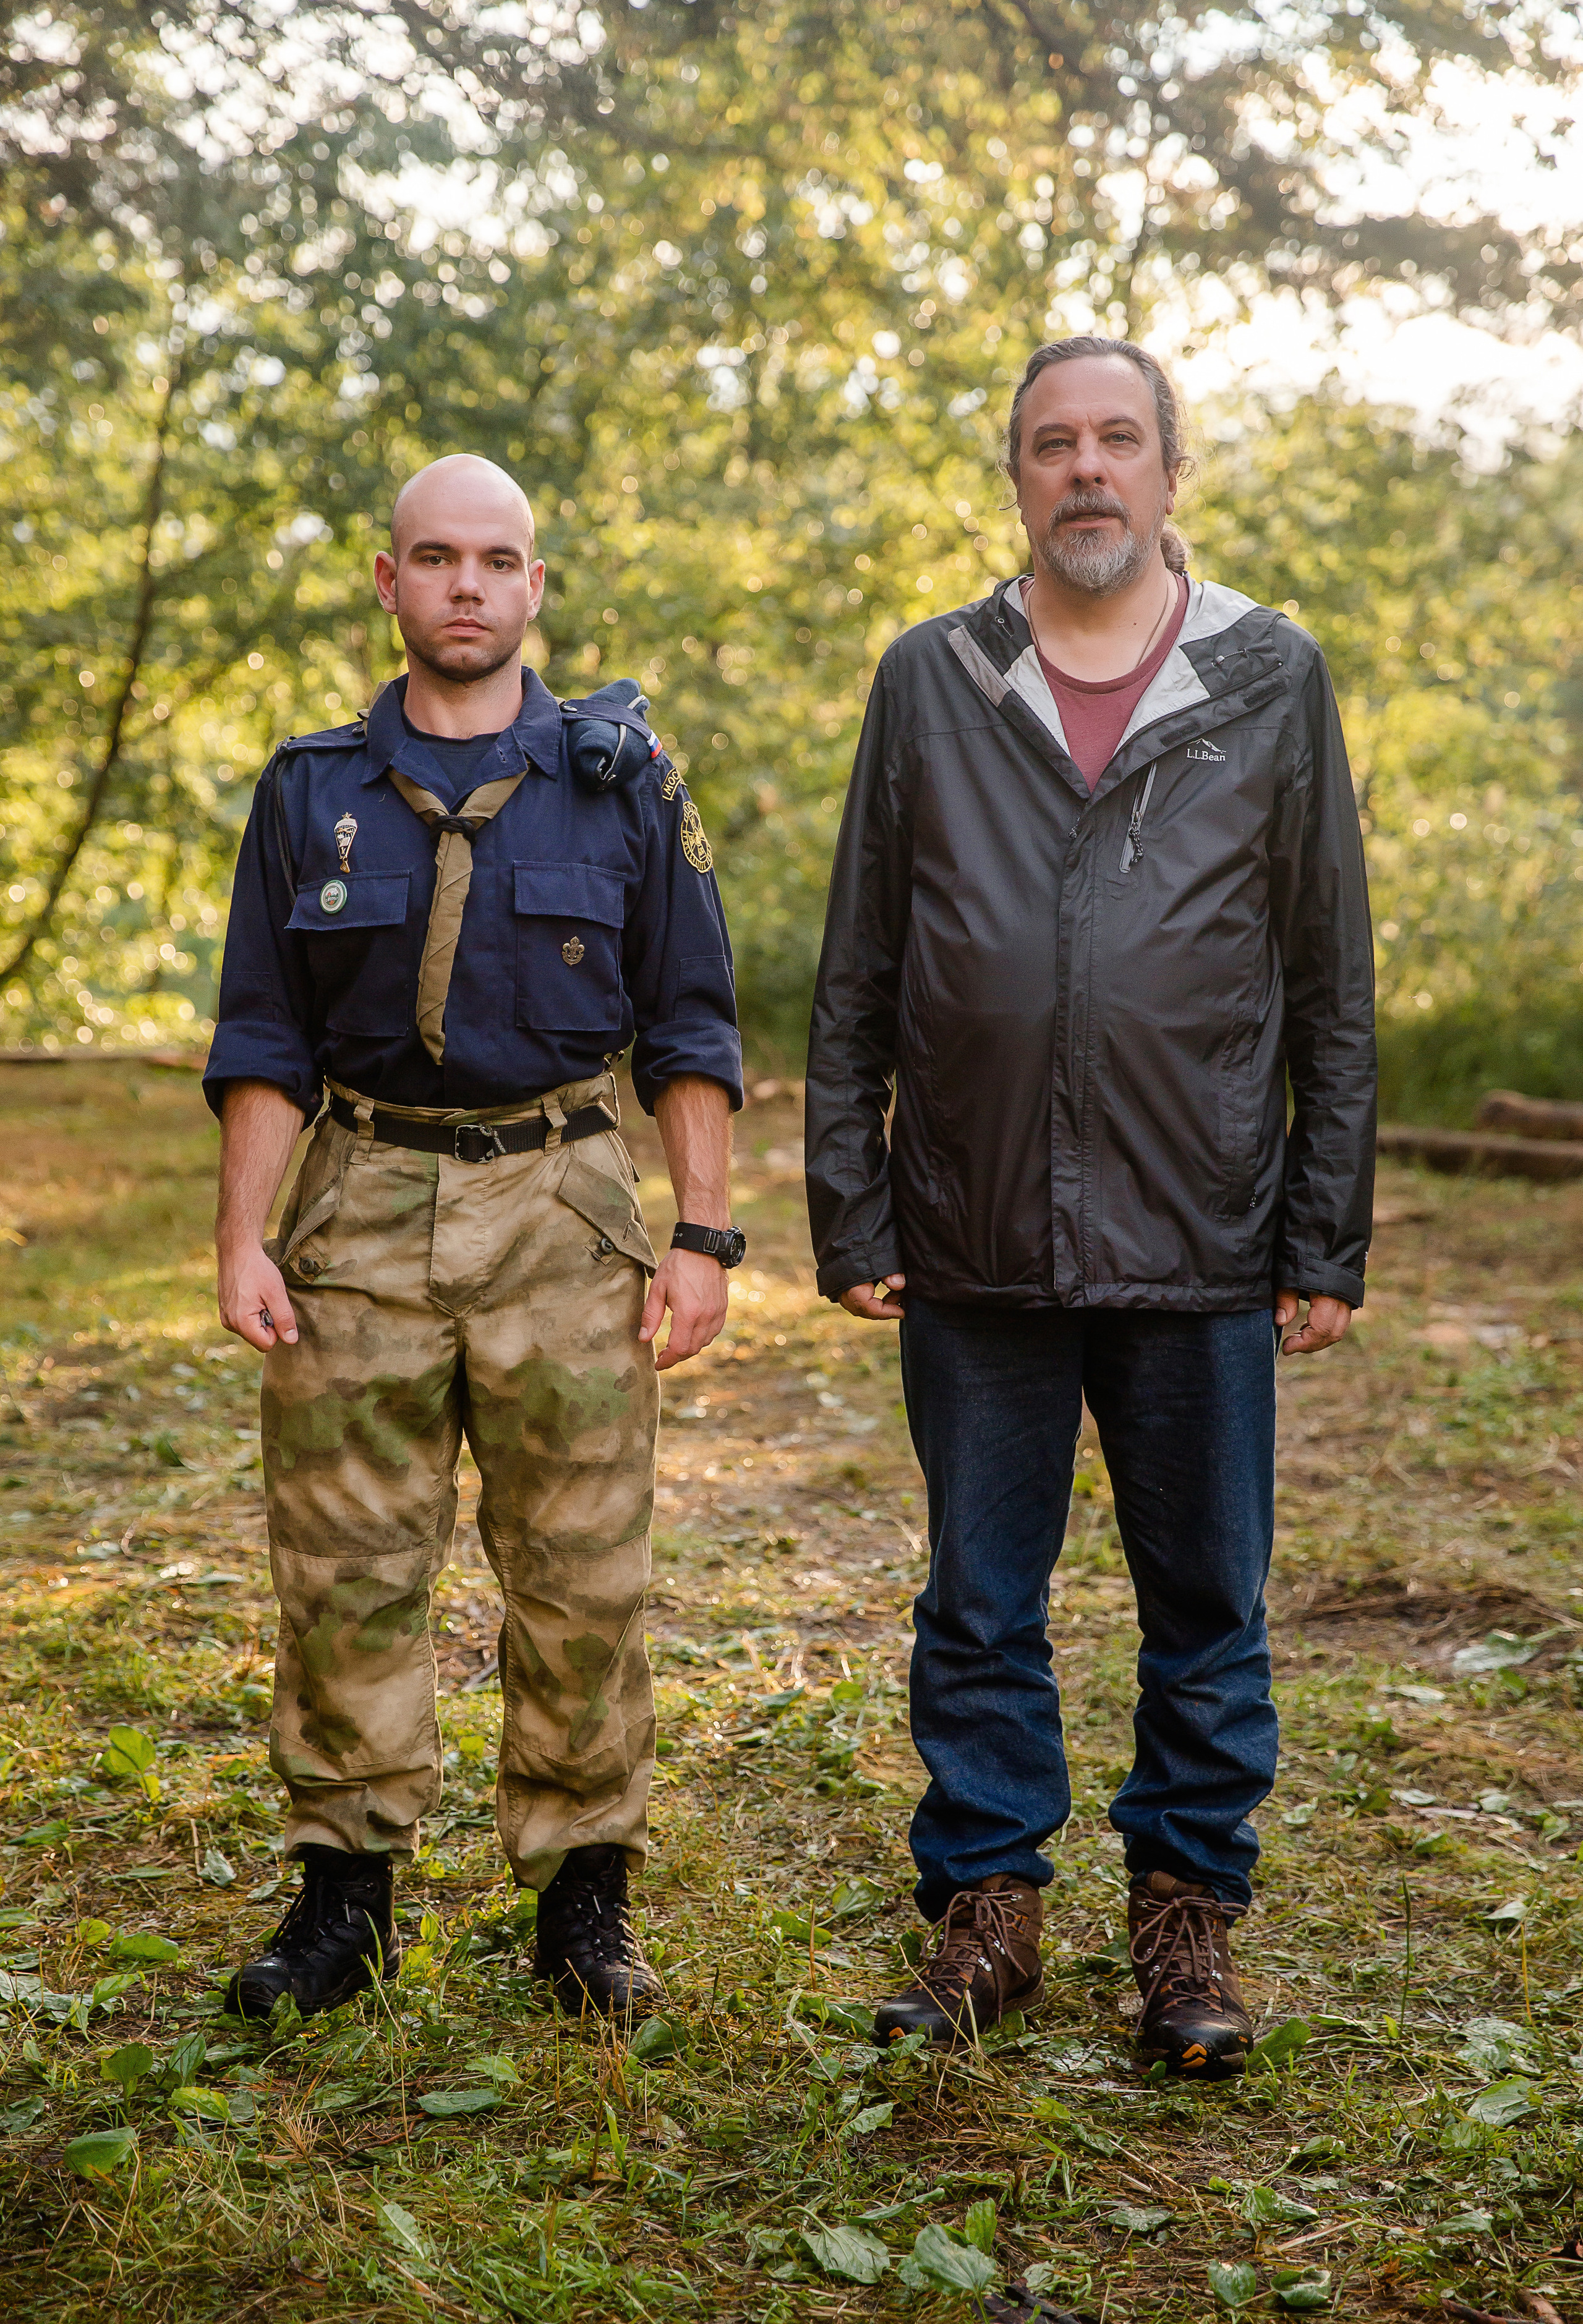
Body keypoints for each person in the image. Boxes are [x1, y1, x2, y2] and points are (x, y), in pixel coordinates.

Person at [804, 337, 1375, 2076]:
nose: (1087, 470)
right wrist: (853, 1206)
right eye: (1053, 444)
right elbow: (857, 971)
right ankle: (988, 1911)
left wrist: (1322, 1233)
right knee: (980, 1597)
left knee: (1208, 1599)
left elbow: (1331, 980)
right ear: (1017, 480)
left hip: (1203, 1225)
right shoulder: (933, 678)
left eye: (1118, 438)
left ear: (1172, 468)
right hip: (974, 1228)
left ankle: (1186, 1921)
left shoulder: (1270, 676)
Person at [205, 453, 746, 2025]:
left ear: (532, 587)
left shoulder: (622, 778)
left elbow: (689, 1026)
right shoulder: (312, 789)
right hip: (359, 1196)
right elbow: (263, 1037)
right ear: (388, 582)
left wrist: (701, 1235)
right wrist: (243, 1240)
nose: (463, 585)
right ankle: (342, 1897)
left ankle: (584, 1901)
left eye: (494, 560)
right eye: (433, 557)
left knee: (580, 1569)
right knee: (344, 1563)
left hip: (564, 1198)